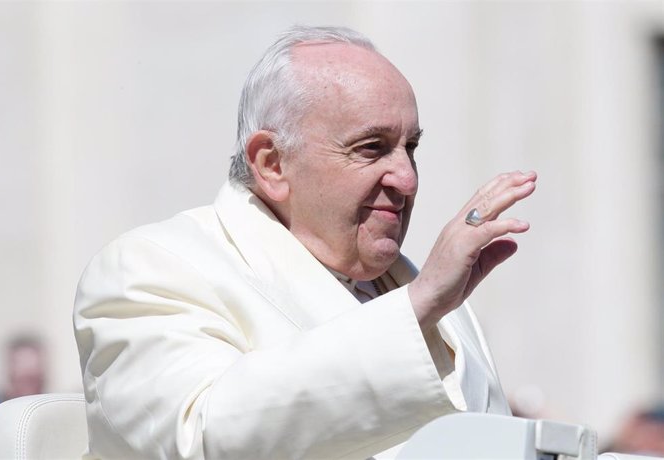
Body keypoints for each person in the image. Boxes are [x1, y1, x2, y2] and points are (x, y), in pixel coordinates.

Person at [74, 25, 536, 459]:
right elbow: (198, 439)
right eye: (371, 148)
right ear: (272, 164)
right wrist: (416, 308)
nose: (407, 179)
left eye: (410, 147)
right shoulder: (149, 269)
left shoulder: (430, 298)